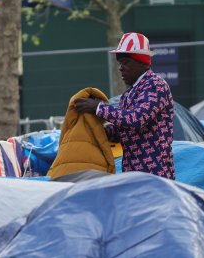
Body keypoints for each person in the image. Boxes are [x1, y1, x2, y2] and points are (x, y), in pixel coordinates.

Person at [72, 32, 175, 179]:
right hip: (132, 173)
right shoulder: (129, 94)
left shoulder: (156, 86)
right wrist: (96, 128)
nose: (121, 68)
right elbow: (122, 132)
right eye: (120, 63)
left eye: (126, 62)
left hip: (155, 175)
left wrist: (99, 108)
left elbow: (137, 119)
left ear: (142, 62)